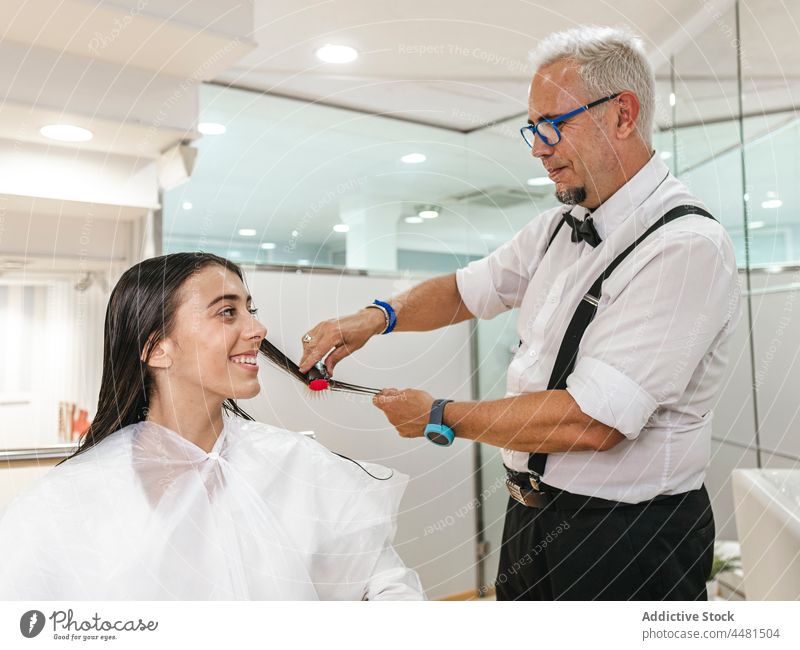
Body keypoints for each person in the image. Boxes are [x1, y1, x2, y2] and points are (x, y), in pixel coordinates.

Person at [298, 26, 741, 601]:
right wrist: (372, 317)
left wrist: (439, 414)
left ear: (622, 116)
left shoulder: (684, 247)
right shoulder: (557, 227)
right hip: (531, 516)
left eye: (553, 124)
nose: (538, 145)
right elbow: (463, 291)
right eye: (533, 128)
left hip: (624, 539)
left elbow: (594, 421)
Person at [0, 252, 423, 600]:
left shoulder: (298, 464)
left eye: (249, 309)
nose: (257, 329)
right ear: (157, 348)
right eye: (226, 312)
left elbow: (385, 582)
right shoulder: (70, 501)